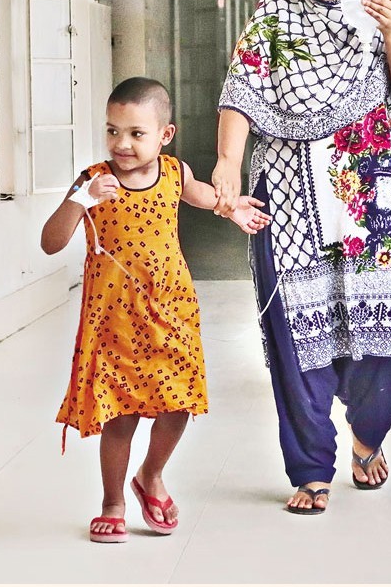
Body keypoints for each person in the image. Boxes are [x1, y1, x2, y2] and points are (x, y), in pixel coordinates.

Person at [211, 0, 391, 514]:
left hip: (374, 202)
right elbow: (243, 89)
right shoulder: (278, 6)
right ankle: (312, 468)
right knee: (296, 339)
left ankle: (368, 434)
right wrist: (228, 160)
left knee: (389, 344)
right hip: (288, 197)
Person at [41, 77, 272, 542]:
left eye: (135, 133)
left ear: (164, 135)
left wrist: (233, 208)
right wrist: (81, 200)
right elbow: (51, 242)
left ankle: (152, 474)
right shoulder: (93, 181)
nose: (121, 144)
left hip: (171, 312)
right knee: (121, 415)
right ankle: (112, 501)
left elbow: (205, 196)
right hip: (114, 321)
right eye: (112, 131)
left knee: (178, 403)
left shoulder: (173, 173)